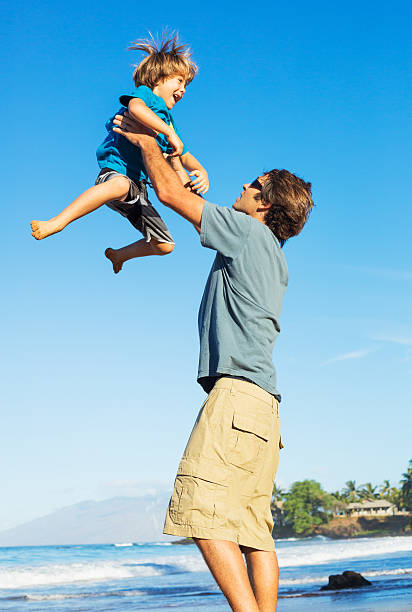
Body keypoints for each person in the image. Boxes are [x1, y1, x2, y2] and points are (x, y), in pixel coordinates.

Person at [113, 112, 314, 611]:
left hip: (238, 398)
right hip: (266, 409)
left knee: (200, 516)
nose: (243, 185)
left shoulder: (247, 233)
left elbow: (172, 197)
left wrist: (145, 145)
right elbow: (184, 186)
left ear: (264, 204)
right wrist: (176, 156)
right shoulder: (275, 257)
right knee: (252, 531)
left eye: (254, 184)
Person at [30, 33, 208, 274]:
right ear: (159, 78)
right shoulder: (146, 96)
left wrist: (200, 170)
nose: (183, 89)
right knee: (121, 185)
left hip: (138, 189)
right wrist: (167, 131)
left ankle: (119, 255)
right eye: (179, 81)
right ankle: (57, 222)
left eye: (186, 85)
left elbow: (182, 155)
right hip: (113, 174)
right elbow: (135, 108)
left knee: (165, 245)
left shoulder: (169, 121)